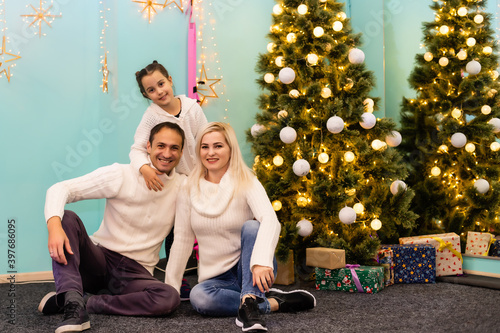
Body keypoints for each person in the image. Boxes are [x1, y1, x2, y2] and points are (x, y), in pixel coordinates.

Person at [165, 122, 316, 332]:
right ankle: (268, 303)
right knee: (199, 298)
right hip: (217, 279)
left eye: (218, 146)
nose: (210, 153)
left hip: (251, 268)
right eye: (204, 147)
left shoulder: (247, 180)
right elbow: (181, 239)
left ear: (230, 149)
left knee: (252, 227)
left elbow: (270, 220)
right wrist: (170, 289)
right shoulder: (188, 187)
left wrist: (261, 262)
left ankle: (250, 306)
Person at [39, 122, 185, 333]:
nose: (167, 153)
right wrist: (53, 226)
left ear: (181, 153)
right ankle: (73, 303)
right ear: (148, 147)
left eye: (174, 148)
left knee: (168, 298)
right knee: (66, 218)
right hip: (100, 260)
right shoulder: (121, 174)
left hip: (135, 273)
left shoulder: (183, 186)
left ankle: (89, 302)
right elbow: (60, 188)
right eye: (161, 145)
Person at [133, 61, 207, 297]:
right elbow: (137, 148)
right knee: (175, 231)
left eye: (161, 84)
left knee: (204, 226)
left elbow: (205, 138)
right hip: (172, 183)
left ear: (170, 80)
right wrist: (144, 168)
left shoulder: (192, 108)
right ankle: (177, 278)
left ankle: (210, 274)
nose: (159, 91)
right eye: (151, 90)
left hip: (198, 178)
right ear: (146, 95)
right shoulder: (151, 116)